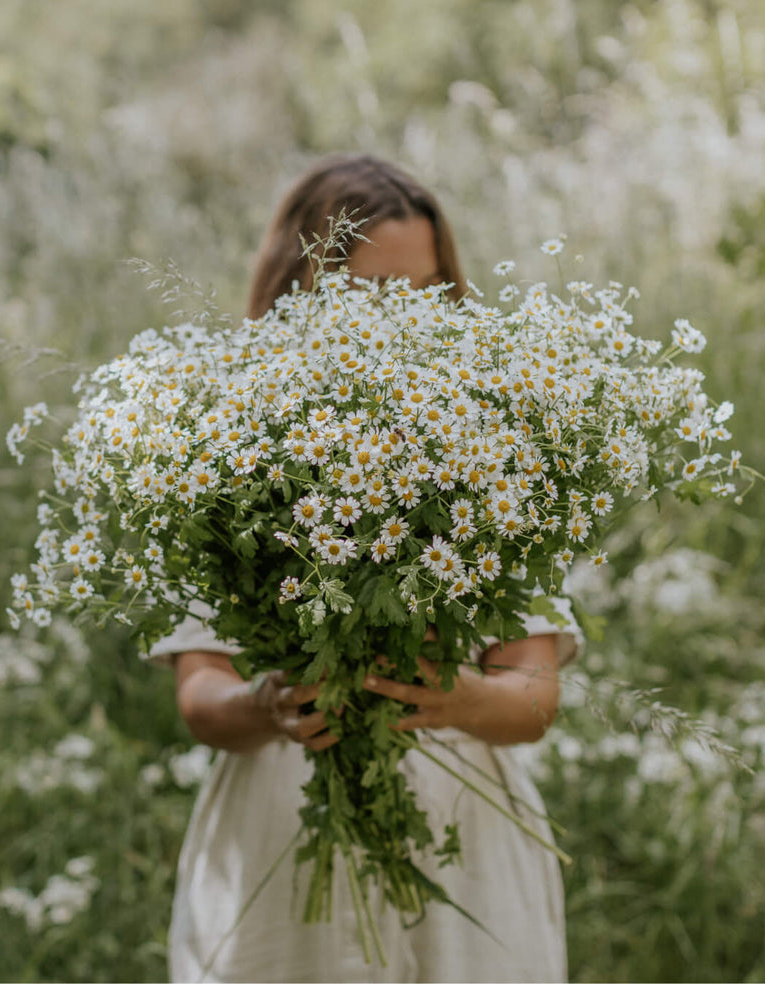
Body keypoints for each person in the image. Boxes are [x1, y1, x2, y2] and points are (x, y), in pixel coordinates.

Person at [143, 152, 585, 983]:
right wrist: (267, 705)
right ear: (297, 291)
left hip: (465, 849)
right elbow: (199, 692)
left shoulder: (497, 448)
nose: (402, 320)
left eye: (424, 293)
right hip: (279, 837)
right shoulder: (222, 450)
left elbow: (535, 695)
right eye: (371, 295)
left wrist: (462, 699)